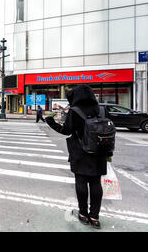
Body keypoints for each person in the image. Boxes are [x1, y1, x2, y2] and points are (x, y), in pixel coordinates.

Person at [45, 85, 113, 230]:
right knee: (96, 183)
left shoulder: (75, 111)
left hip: (80, 152)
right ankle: (94, 217)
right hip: (100, 152)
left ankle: (83, 214)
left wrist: (51, 122)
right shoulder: (101, 109)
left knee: (81, 182)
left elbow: (66, 130)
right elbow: (109, 129)